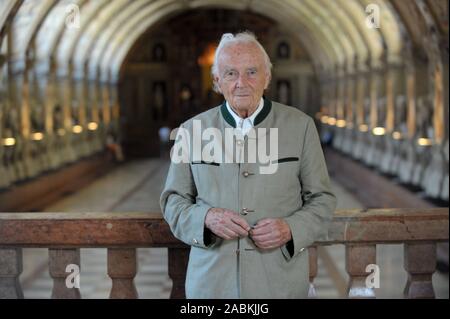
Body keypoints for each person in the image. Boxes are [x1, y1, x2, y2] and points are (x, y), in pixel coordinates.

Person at [160, 31, 336, 298]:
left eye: (252, 72)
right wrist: (205, 218)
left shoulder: (300, 127)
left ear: (267, 77)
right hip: (211, 285)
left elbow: (322, 199)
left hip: (280, 284)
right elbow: (173, 201)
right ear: (217, 80)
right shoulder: (190, 131)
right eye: (230, 73)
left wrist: (291, 228)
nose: (241, 82)